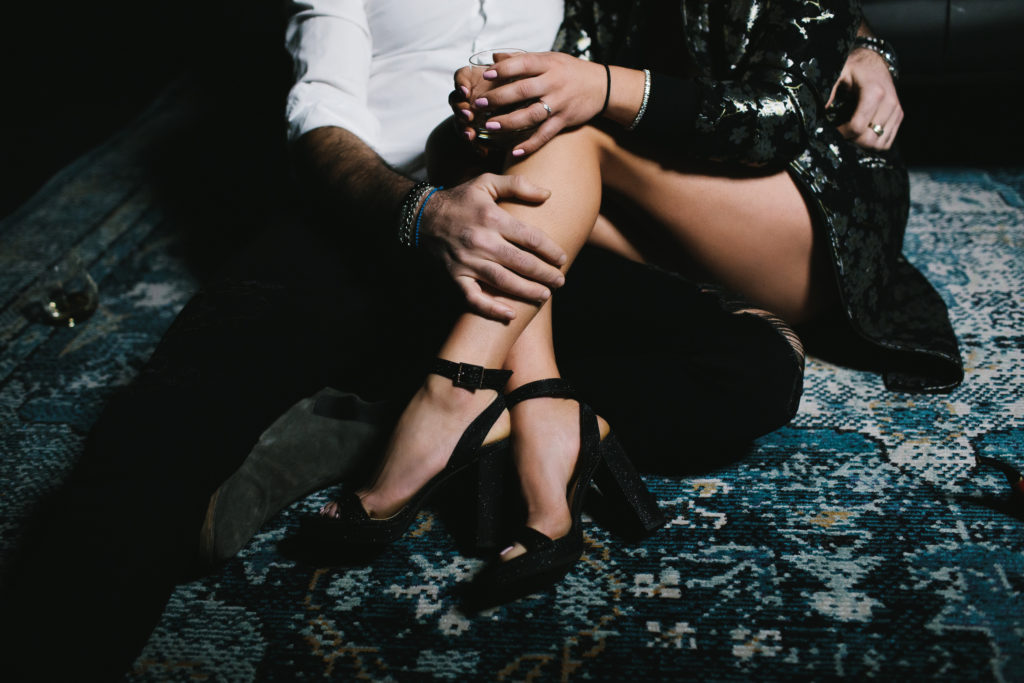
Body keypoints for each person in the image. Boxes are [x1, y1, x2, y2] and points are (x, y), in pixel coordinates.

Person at [0, 1, 800, 678]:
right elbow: (319, 118)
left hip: (520, 229)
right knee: (154, 445)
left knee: (752, 368)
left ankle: (399, 416)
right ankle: (400, 406)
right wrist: (419, 217)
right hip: (363, 224)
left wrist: (863, 47)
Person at [308, 0, 963, 603]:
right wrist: (511, 94)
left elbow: (779, 117)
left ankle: (457, 388)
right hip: (660, 199)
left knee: (565, 137)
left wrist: (596, 87)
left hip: (802, 202)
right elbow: (571, 60)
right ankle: (542, 409)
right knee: (481, 145)